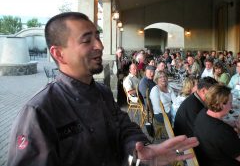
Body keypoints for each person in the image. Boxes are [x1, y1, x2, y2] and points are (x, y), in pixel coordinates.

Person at [6, 12, 198, 166]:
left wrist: (141, 151)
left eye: (97, 36)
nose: (100, 45)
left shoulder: (102, 92)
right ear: (59, 54)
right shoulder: (40, 112)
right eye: (87, 40)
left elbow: (124, 128)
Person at [193, 84, 240, 166]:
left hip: (207, 160)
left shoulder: (203, 113)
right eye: (230, 103)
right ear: (221, 104)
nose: (232, 106)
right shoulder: (223, 133)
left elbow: (216, 124)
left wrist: (234, 124)